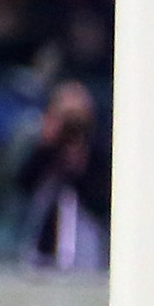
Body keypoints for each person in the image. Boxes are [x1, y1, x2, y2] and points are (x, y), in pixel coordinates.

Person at [13, 77, 108, 271]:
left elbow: (102, 198)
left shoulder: (99, 152)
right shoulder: (44, 150)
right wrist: (47, 145)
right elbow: (22, 186)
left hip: (89, 247)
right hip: (43, 245)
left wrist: (82, 159)